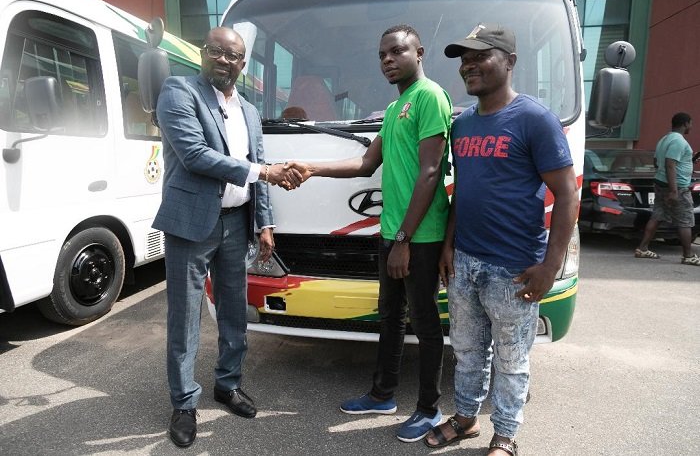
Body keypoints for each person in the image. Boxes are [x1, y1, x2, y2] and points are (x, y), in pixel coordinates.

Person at [287, 24, 452, 443]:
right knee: (391, 316)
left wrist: (403, 241)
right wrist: (312, 168)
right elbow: (365, 164)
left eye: (397, 51)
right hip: (393, 232)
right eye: (382, 55)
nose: (387, 60)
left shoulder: (430, 97)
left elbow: (431, 171)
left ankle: (430, 410)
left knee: (426, 322)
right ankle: (383, 394)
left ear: (420, 53)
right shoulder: (396, 109)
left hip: (420, 236)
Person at [423, 23, 579, 456]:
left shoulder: (534, 119)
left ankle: (506, 434)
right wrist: (450, 245)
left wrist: (550, 266)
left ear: (509, 62)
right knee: (468, 350)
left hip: (513, 268)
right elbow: (463, 193)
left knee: (512, 361)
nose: (468, 65)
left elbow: (567, 194)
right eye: (463, 58)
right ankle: (467, 417)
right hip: (466, 262)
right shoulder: (464, 124)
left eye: (480, 55)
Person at [154, 27, 301, 448]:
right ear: (204, 54)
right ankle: (184, 403)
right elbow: (196, 155)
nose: (223, 59)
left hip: (237, 222)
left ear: (242, 64)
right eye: (216, 51)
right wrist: (262, 172)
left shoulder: (250, 111)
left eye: (232, 55)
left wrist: (265, 223)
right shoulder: (179, 92)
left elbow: (261, 167)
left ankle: (228, 384)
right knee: (185, 317)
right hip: (191, 224)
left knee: (235, 311)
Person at [635, 112, 699, 265]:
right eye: (691, 123)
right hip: (677, 188)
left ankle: (642, 248)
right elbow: (670, 164)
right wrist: (674, 191)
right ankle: (688, 256)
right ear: (685, 124)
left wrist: (689, 161)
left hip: (660, 183)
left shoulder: (665, 139)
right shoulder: (679, 141)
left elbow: (658, 162)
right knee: (685, 221)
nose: (691, 126)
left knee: (657, 216)